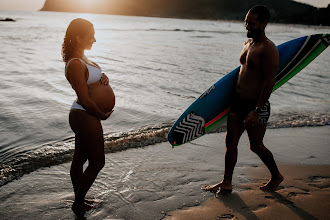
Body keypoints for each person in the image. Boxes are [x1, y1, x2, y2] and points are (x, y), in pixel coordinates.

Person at [204, 6, 283, 193]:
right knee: (230, 142)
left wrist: (256, 111)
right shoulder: (247, 44)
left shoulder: (269, 49)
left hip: (255, 106)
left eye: (252, 22)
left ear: (264, 24)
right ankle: (227, 182)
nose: (247, 25)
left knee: (256, 146)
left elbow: (269, 82)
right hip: (237, 103)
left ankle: (276, 175)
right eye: (246, 21)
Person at [62, 18, 116, 211]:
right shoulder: (75, 63)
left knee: (80, 159)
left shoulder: (85, 59)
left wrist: (104, 78)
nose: (94, 40)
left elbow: (91, 83)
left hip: (87, 115)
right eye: (91, 35)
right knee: (97, 162)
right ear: (77, 37)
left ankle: (80, 200)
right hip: (85, 114)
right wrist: (102, 115)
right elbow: (84, 99)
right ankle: (78, 202)